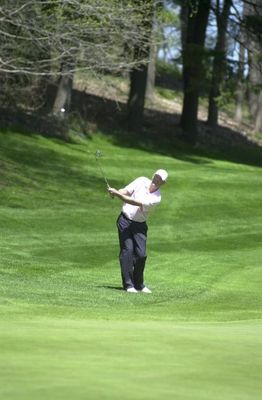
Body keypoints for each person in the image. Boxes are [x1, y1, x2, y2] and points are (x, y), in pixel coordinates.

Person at [108, 169, 168, 293]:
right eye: (156, 176)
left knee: (141, 255)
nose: (157, 179)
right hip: (124, 221)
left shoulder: (157, 198)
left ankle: (139, 284)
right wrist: (116, 192)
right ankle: (128, 285)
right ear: (153, 175)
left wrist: (118, 195)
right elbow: (126, 191)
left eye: (160, 179)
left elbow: (134, 202)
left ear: (163, 183)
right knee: (127, 250)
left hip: (139, 226)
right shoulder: (141, 180)